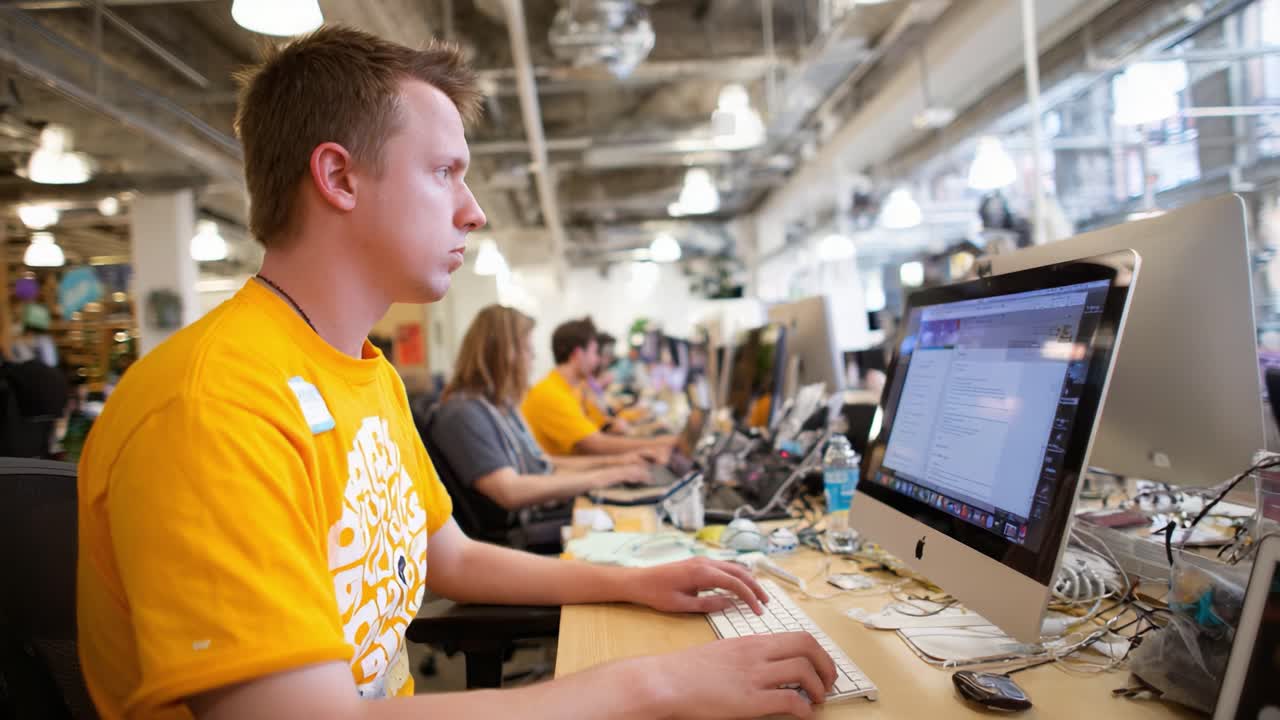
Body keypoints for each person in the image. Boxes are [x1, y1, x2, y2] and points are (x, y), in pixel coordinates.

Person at [75, 26, 834, 720]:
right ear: (339, 177)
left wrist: (632, 581)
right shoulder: (214, 404)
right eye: (446, 171)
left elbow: (453, 556)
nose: (473, 211)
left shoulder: (364, 374)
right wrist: (656, 684)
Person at [426, 305, 648, 527]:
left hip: (541, 517)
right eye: (527, 349)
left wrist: (615, 464)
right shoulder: (464, 413)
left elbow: (543, 464)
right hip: (523, 534)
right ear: (505, 354)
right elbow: (510, 491)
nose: (533, 357)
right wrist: (604, 476)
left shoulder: (499, 405)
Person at [523, 317, 677, 459]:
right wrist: (662, 442)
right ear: (578, 354)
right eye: (595, 352)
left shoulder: (573, 389)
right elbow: (596, 445)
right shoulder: (550, 393)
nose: (598, 359)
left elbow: (598, 426)